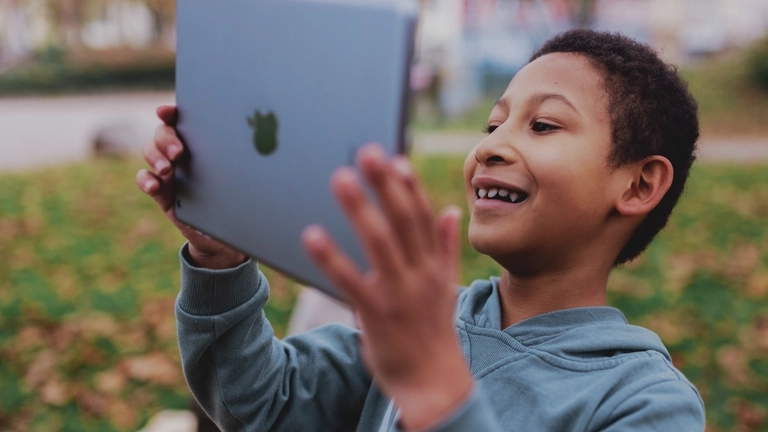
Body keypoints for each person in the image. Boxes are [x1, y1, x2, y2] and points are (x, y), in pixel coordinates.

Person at [136, 29, 705, 431]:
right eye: (493, 121)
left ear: (637, 186)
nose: (491, 145)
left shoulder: (645, 402)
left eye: (544, 124)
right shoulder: (424, 326)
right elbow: (259, 404)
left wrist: (437, 393)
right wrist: (220, 255)